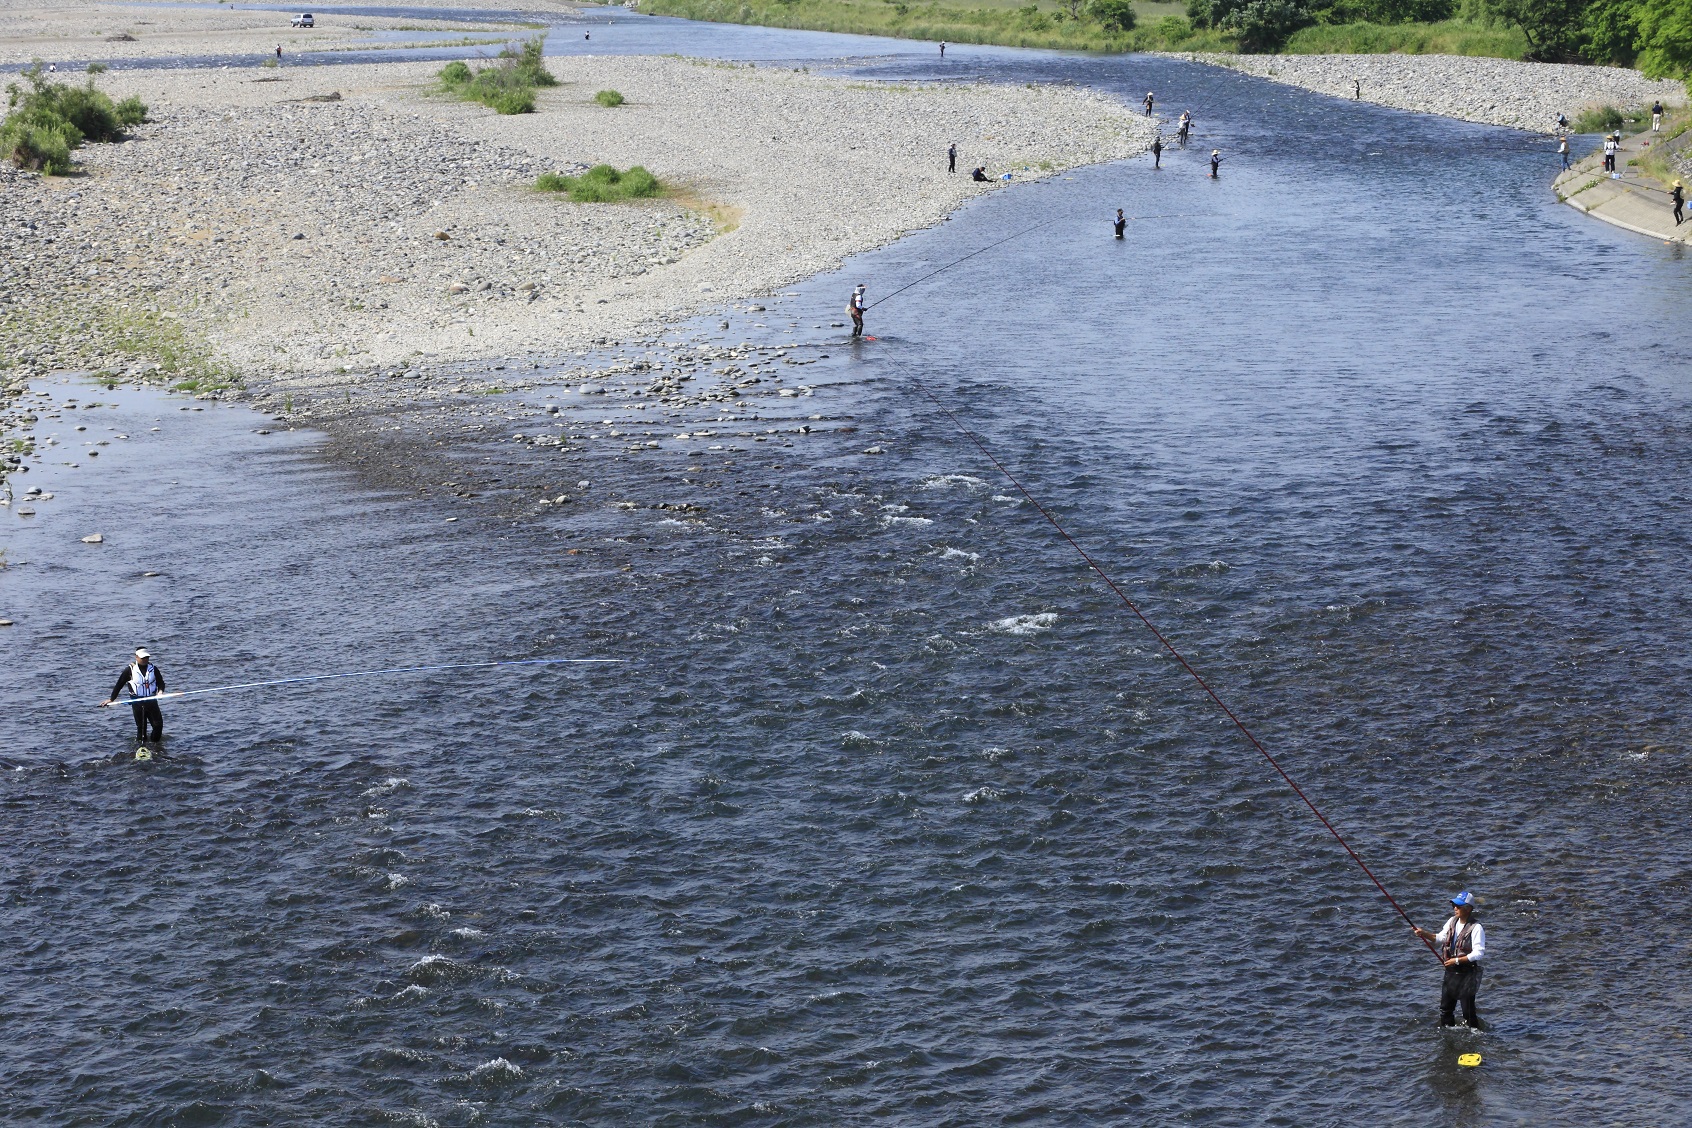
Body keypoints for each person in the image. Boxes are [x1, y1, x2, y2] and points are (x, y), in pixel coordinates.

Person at [1412, 891, 1486, 1027]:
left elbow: (1478, 953)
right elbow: (1440, 938)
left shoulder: (1476, 928)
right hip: (1450, 972)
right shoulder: (1452, 921)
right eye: (1454, 905)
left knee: (1468, 1012)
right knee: (1445, 1010)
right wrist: (1424, 933)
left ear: (1468, 909)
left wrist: (1456, 960)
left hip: (1467, 974)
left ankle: (1476, 1036)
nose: (1455, 908)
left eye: (1458, 906)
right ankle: (1447, 1034)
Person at [101, 647, 166, 742]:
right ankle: (141, 748)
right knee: (141, 729)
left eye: (147, 657)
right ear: (136, 657)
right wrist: (111, 699)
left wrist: (160, 692)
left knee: (158, 725)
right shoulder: (129, 670)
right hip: (137, 703)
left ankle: (155, 745)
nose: (145, 660)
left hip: (151, 701)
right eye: (142, 658)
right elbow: (119, 685)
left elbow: (161, 683)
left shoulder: (153, 669)